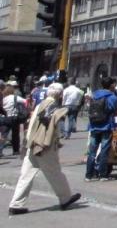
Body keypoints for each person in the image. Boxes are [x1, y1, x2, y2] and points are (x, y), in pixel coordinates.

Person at [7, 83, 80, 215]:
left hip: (32, 143)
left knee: (26, 175)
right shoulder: (54, 107)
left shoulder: (40, 105)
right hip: (44, 146)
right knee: (55, 173)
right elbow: (53, 129)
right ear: (60, 94)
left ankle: (16, 204)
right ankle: (65, 198)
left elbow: (32, 124)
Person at [85, 76, 117, 181]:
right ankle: (103, 174)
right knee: (104, 151)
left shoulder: (95, 95)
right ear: (111, 85)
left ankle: (89, 175)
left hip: (94, 125)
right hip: (106, 126)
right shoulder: (113, 97)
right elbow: (115, 112)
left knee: (92, 151)